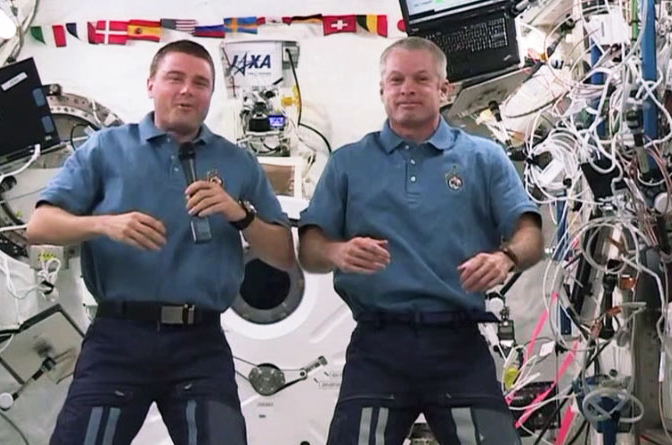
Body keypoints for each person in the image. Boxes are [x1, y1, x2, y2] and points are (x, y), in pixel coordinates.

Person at [27, 40, 295, 445]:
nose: (187, 90)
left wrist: (240, 215)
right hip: (118, 338)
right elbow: (40, 226)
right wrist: (104, 226)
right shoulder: (106, 149)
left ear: (210, 94)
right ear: (151, 84)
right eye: (175, 78)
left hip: (200, 344)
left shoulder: (238, 163)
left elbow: (284, 256)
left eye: (200, 83)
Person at [298, 37, 544, 444]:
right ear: (382, 91)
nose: (407, 88)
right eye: (396, 80)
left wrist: (505, 258)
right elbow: (309, 250)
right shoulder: (347, 163)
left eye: (421, 79)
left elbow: (530, 233)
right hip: (378, 346)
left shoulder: (483, 158)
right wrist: (337, 251)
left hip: (459, 345)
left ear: (444, 89)